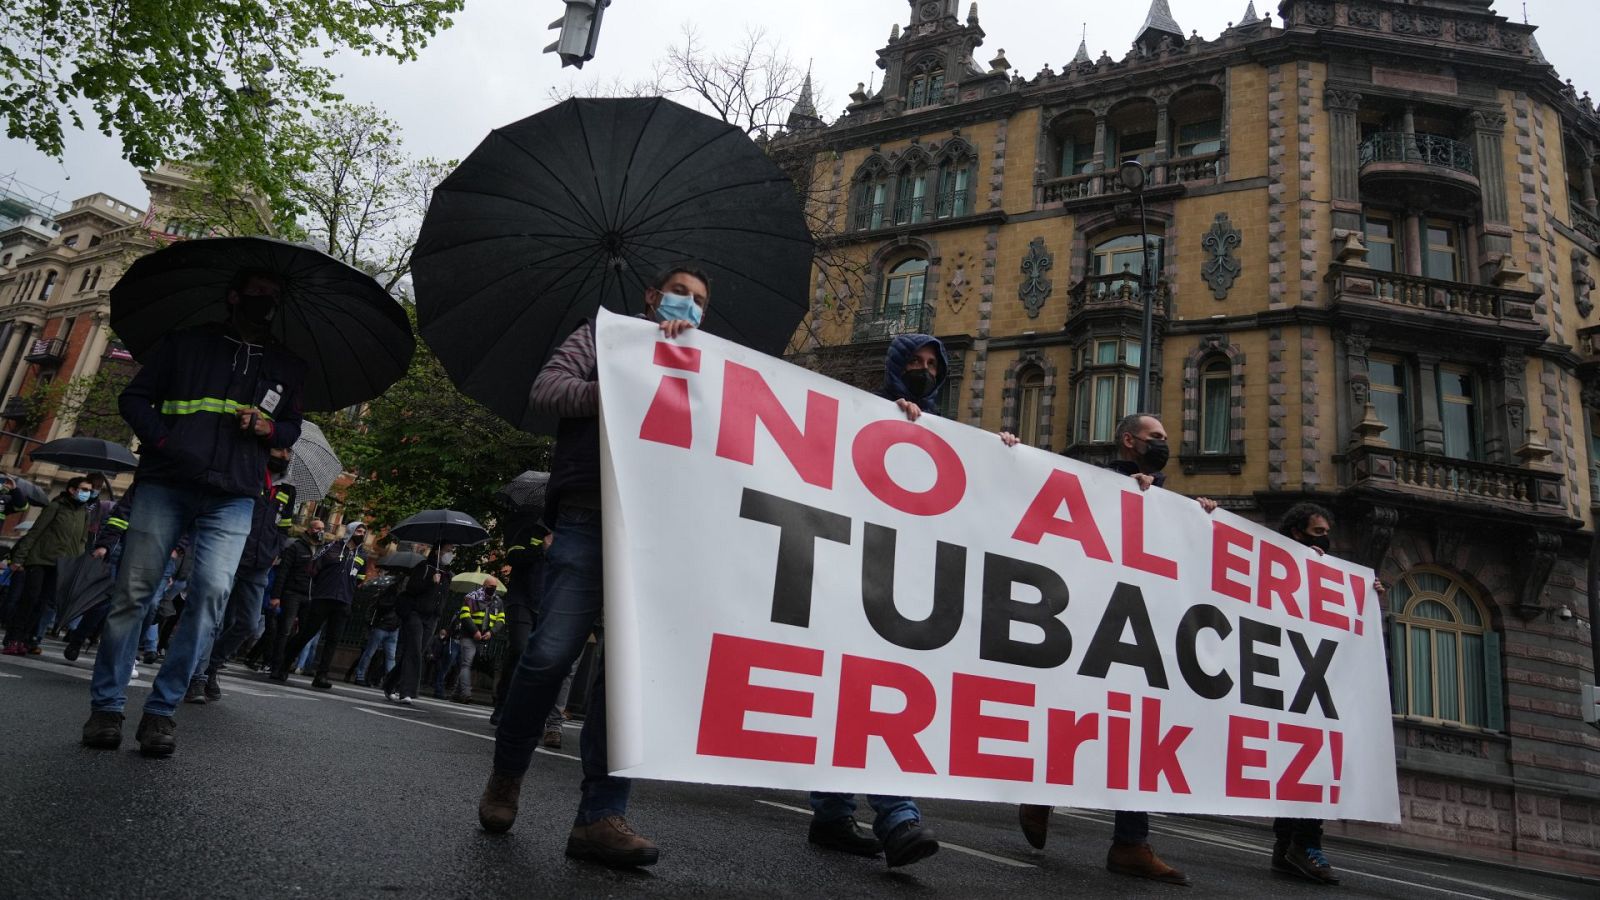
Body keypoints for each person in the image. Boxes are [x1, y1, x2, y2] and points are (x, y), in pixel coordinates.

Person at [479, 264, 711, 868]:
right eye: (681, 294)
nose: (690, 306)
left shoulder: (711, 365)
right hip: (587, 513)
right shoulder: (605, 335)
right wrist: (620, 383)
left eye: (701, 301)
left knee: (628, 676)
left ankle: (599, 817)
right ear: (654, 296)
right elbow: (548, 390)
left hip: (655, 528)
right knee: (552, 651)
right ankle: (507, 774)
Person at [81, 267, 305, 757]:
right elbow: (133, 396)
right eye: (257, 292)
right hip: (166, 483)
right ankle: (107, 707)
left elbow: (292, 428)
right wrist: (164, 441)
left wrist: (270, 430)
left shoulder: (286, 365)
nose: (264, 302)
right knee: (134, 592)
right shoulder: (185, 344)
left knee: (209, 597)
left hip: (235, 494)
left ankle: (161, 712)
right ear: (234, 296)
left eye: (272, 297)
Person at [1008, 413, 1210, 886]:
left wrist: (1199, 519)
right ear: (1129, 442)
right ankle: (1041, 794)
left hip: (1143, 632)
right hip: (1093, 623)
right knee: (1079, 715)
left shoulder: (1165, 500)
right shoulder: (1096, 482)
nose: (1164, 443)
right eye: (1156, 437)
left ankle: (1130, 843)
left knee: (1139, 733)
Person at [805, 334, 945, 867]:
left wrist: (1002, 454)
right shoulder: (862, 412)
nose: (925, 371)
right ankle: (897, 816)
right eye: (915, 361)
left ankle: (833, 814)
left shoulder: (945, 433)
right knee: (868, 693)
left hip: (904, 587)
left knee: (867, 694)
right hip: (854, 574)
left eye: (933, 365)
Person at [1267, 502, 1385, 885]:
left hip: (1314, 684)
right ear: (1297, 532)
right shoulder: (1269, 559)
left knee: (1309, 763)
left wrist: (1363, 596)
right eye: (1318, 532)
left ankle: (1289, 848)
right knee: (1304, 764)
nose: (1326, 540)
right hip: (1282, 681)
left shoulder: (1324, 571)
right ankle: (1302, 845)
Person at [188, 448, 296, 702]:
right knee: (214, 620)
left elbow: (284, 528)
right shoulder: (249, 475)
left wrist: (275, 551)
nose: (283, 454)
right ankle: (198, 678)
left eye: (288, 451)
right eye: (278, 448)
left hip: (259, 566)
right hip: (230, 556)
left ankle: (212, 664)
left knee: (248, 623)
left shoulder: (288, 491)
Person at [3, 476, 97, 655]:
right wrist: (19, 558)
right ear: (72, 489)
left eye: (89, 491)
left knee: (42, 603)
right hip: (39, 560)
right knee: (29, 599)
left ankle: (27, 639)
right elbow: (36, 532)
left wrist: (75, 565)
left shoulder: (84, 513)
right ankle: (13, 638)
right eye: (84, 489)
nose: (87, 493)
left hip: (62, 565)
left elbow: (82, 541)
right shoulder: (56, 506)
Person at [283, 520, 367, 690]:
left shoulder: (362, 555)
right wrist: (319, 586)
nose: (362, 535)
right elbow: (313, 567)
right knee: (306, 633)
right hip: (323, 598)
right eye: (359, 531)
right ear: (350, 531)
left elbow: (360, 580)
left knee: (333, 640)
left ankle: (321, 675)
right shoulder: (332, 547)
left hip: (343, 601)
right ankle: (283, 665)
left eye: (364, 533)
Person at [490, 518, 549, 730]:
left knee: (541, 660)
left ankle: (529, 712)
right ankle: (502, 705)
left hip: (548, 605)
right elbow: (514, 557)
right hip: (522, 600)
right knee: (519, 649)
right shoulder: (529, 530)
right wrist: (542, 548)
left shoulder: (569, 535)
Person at [384, 545, 452, 704]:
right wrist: (430, 581)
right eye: (448, 550)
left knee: (416, 652)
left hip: (432, 618)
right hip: (416, 614)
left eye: (452, 551)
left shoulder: (447, 574)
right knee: (414, 649)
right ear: (438, 551)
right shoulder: (424, 567)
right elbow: (412, 588)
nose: (450, 554)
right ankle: (407, 691)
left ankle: (389, 684)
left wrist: (439, 612)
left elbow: (443, 597)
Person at [266, 518, 322, 681]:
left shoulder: (321, 551)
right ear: (310, 530)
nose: (321, 532)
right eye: (318, 528)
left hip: (310, 596)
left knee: (304, 632)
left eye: (323, 529)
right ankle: (276, 666)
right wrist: (276, 595)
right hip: (293, 593)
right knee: (285, 630)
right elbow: (283, 572)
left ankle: (286, 662)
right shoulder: (296, 547)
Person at [450, 578, 503, 703]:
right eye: (491, 586)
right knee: (467, 663)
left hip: (484, 637)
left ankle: (456, 693)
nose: (493, 589)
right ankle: (466, 693)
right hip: (469, 635)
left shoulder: (497, 601)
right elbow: (464, 615)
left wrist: (491, 632)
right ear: (484, 585)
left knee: (470, 665)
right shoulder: (471, 597)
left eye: (495, 587)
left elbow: (501, 620)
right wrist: (475, 631)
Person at [353, 572, 402, 686]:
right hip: (387, 627)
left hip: (387, 627)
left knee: (376, 654)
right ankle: (363, 676)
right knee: (381, 655)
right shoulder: (390, 596)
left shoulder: (385, 594)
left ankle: (386, 681)